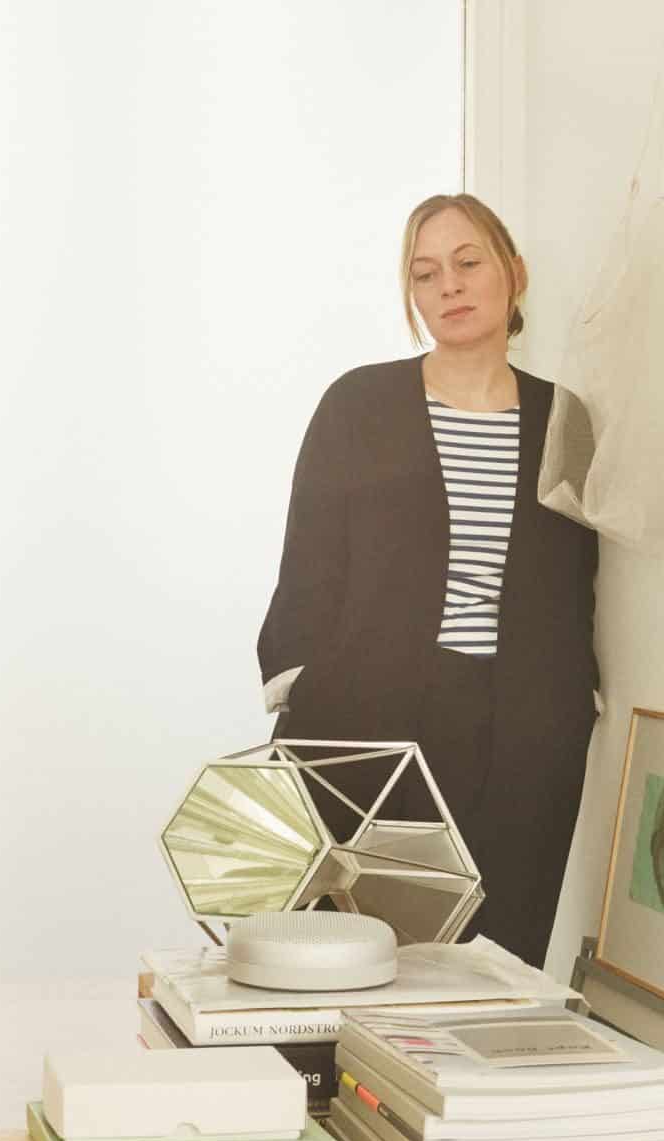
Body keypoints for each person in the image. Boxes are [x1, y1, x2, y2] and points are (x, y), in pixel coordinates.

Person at [257, 193, 599, 968]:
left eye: (468, 262)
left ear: (514, 273)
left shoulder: (564, 420)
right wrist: (303, 678)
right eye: (425, 272)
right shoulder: (357, 405)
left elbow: (577, 577)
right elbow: (307, 557)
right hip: (365, 709)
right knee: (325, 949)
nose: (448, 285)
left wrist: (572, 697)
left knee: (487, 956)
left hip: (517, 726)